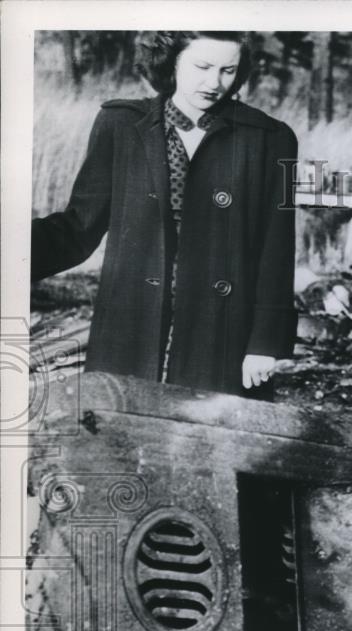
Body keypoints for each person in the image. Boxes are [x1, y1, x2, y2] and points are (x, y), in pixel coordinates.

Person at [31, 31, 297, 397]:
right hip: (131, 326)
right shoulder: (121, 125)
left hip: (220, 332)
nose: (214, 82)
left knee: (211, 445)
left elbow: (277, 248)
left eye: (227, 70)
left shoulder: (272, 139)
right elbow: (78, 226)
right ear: (171, 62)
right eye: (202, 66)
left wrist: (265, 342)